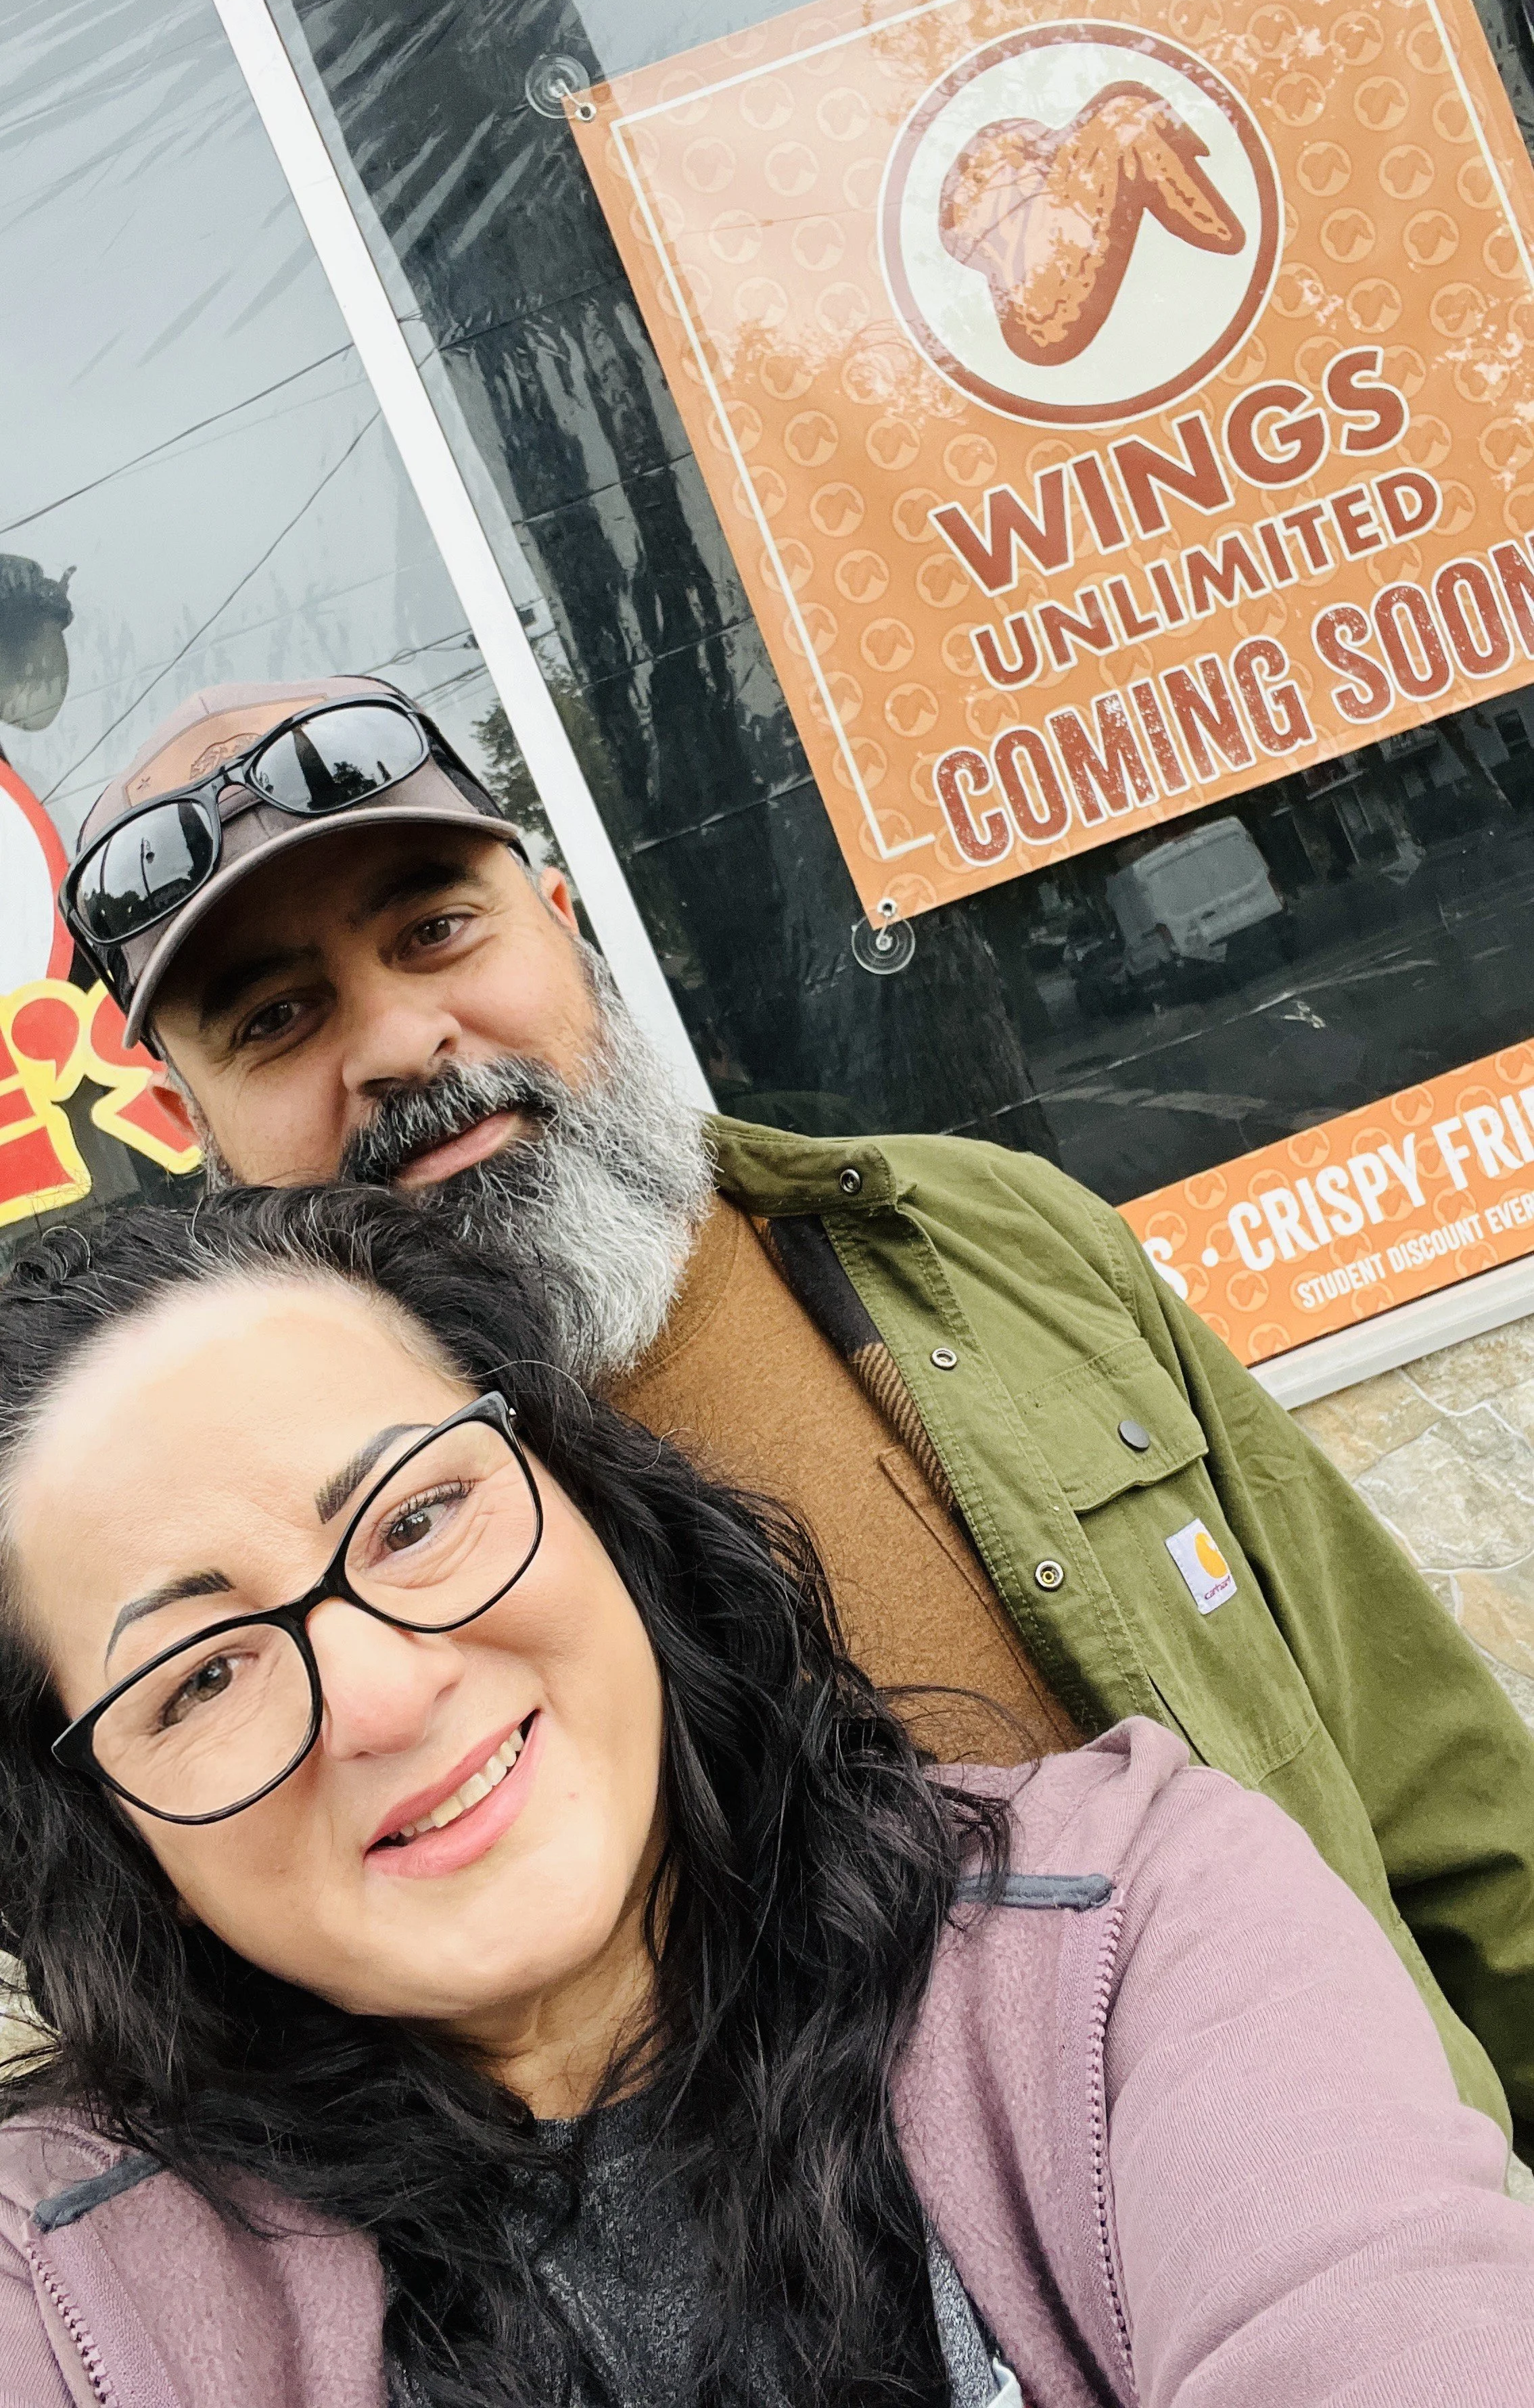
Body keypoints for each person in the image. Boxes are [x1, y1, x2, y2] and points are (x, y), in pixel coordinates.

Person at [60, 674, 1534, 2157]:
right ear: (193, 1132)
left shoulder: (984, 1239)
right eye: (276, 1018)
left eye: (435, 928)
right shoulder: (259, 1600)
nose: (394, 1042)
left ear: (562, 924)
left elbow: (1435, 1789)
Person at [0, 1185, 1529, 2408]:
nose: (388, 1694)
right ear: (94, 1823)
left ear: (593, 1499)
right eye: (201, 1676)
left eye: (421, 1515)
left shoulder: (1138, 1934)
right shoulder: (61, 2287)